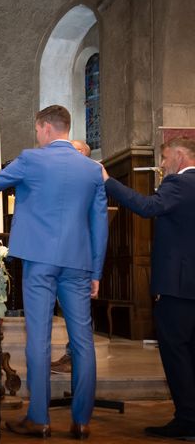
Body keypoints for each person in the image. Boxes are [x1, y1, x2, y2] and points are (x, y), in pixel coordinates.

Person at [0, 105, 108, 439]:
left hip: (39, 259)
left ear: (45, 127)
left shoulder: (32, 159)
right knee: (83, 341)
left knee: (39, 338)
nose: (37, 136)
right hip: (79, 262)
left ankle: (40, 418)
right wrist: (96, 270)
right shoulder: (92, 170)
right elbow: (99, 223)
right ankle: (81, 421)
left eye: (38, 130)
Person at [103, 136, 195, 440]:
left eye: (166, 158)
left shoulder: (179, 184)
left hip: (178, 288)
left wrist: (108, 181)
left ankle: (187, 420)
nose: (163, 165)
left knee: (176, 353)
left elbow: (147, 206)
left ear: (180, 157)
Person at [50, 139, 93, 375]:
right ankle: (71, 355)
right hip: (58, 254)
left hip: (80, 258)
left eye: (77, 151)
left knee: (79, 314)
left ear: (85, 156)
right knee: (66, 310)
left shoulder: (90, 181)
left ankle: (75, 357)